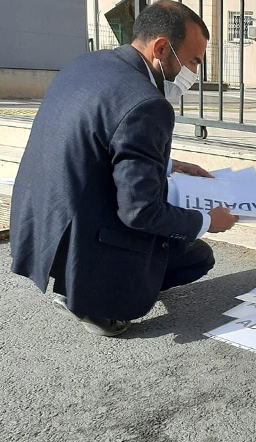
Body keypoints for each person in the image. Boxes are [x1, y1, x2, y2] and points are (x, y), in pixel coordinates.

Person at [10, 1, 238, 337]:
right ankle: (94, 302)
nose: (193, 73)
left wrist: (169, 164)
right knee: (197, 256)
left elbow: (99, 142)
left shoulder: (88, 64)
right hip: (85, 237)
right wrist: (207, 221)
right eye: (193, 61)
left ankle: (80, 281)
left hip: (42, 220)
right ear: (162, 48)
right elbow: (140, 212)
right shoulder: (148, 103)